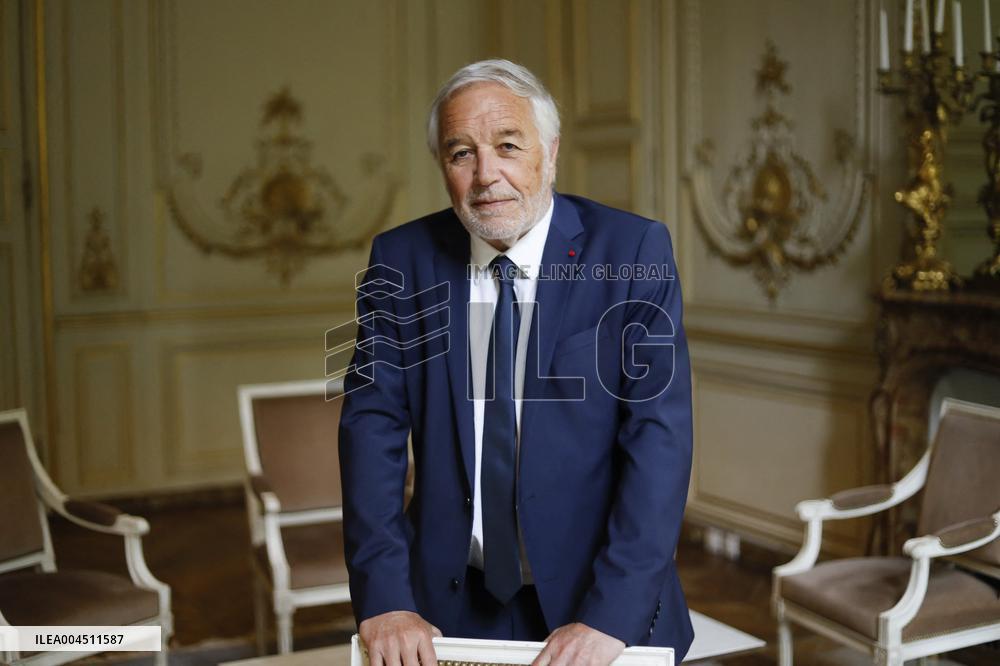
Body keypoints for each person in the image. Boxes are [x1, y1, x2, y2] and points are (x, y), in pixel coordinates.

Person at [338, 59, 693, 666]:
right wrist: (385, 600)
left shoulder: (633, 251)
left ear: (549, 152)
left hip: (598, 603)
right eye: (460, 154)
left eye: (508, 145)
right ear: (442, 167)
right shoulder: (400, 261)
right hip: (444, 607)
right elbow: (370, 431)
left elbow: (659, 442)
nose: (486, 176)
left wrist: (609, 619)